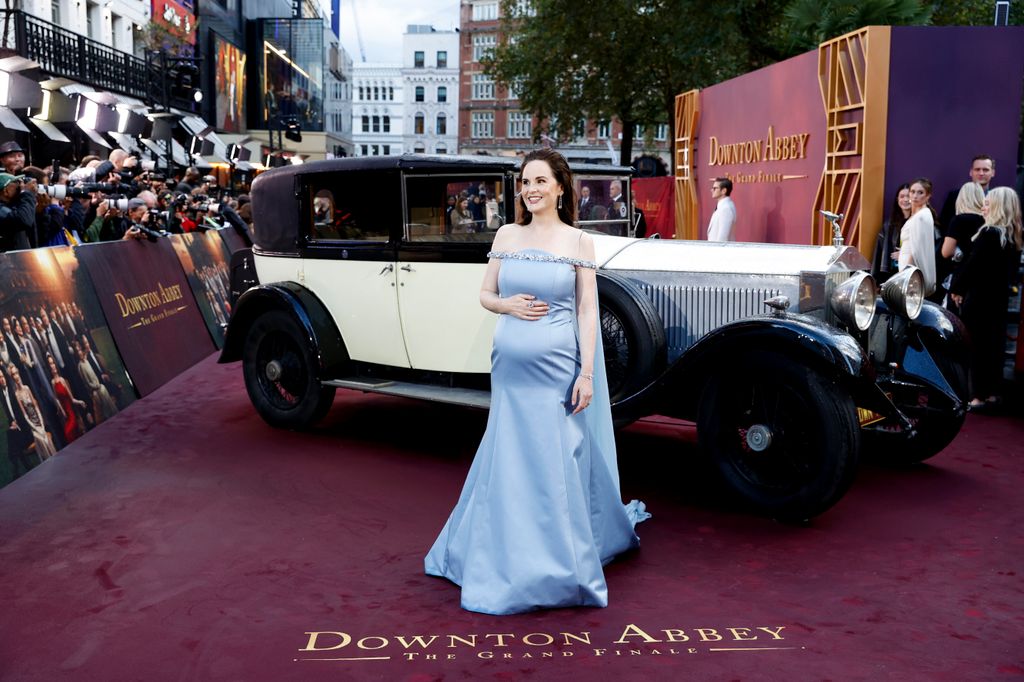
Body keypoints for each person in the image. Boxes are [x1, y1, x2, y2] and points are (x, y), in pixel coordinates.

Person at [425, 148, 649, 615]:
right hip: (510, 369)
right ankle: (502, 554)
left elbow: (587, 310)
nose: (531, 189)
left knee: (556, 458)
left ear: (561, 188)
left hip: (557, 370)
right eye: (525, 182)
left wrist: (587, 373)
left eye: (540, 181)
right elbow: (486, 293)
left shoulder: (579, 241)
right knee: (509, 456)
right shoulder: (507, 234)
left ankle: (559, 566)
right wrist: (505, 305)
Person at [949, 187, 1022, 412]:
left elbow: (973, 266)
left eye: (988, 203)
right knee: (994, 346)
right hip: (999, 300)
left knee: (976, 348)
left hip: (979, 299)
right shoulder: (1013, 236)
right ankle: (991, 394)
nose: (983, 207)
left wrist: (957, 288)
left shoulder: (989, 233)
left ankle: (977, 397)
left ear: (998, 207)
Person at [938, 182, 985, 313]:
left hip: (960, 278)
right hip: (980, 278)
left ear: (961, 198)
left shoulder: (958, 220)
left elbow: (946, 252)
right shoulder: (986, 221)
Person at [894, 178, 937, 297]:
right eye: (912, 192)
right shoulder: (920, 214)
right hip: (909, 269)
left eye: (920, 192)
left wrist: (906, 275)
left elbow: (916, 250)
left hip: (910, 271)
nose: (915, 196)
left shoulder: (921, 216)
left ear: (928, 196)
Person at [939, 155, 995, 228]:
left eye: (985, 170)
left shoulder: (997, 198)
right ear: (971, 172)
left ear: (993, 173)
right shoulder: (955, 196)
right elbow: (944, 223)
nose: (981, 173)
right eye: (977, 169)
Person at [872, 183, 911, 279]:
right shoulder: (889, 225)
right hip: (892, 274)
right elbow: (879, 254)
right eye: (902, 196)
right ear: (897, 199)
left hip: (912, 274)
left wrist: (904, 255)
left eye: (908, 196)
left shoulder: (918, 222)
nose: (906, 199)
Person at [0, 173, 37, 251]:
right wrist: (26, 193)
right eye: (16, 183)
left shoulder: (15, 206)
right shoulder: (2, 210)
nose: (20, 186)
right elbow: (24, 220)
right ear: (6, 191)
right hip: (9, 258)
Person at [707, 177, 736, 241]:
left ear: (724, 191)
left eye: (715, 188)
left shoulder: (726, 209)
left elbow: (722, 238)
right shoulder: (722, 206)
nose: (712, 190)